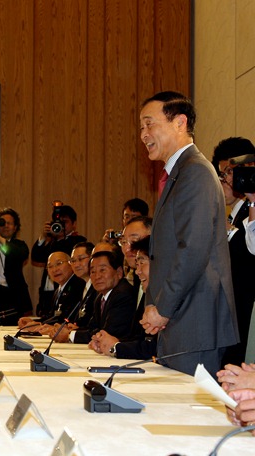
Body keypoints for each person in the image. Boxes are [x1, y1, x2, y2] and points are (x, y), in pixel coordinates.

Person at [139, 91, 239, 377]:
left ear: (179, 123)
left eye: (149, 124)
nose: (144, 134)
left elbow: (192, 249)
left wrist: (162, 308)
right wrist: (153, 305)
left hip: (194, 320)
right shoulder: (181, 173)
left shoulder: (195, 172)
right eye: (141, 128)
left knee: (189, 416)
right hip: (181, 318)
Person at [211, 137, 255, 365]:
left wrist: (228, 232)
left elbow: (248, 255)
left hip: (245, 311)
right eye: (221, 174)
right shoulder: (236, 212)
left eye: (228, 172)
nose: (224, 180)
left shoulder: (250, 207)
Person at [90, 237, 157, 359]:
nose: (137, 272)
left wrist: (115, 347)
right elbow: (139, 339)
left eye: (142, 263)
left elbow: (155, 347)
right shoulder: (150, 296)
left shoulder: (124, 293)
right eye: (137, 265)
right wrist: (111, 343)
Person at [31, 204, 86, 317]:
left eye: (64, 222)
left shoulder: (78, 242)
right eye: (57, 223)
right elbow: (36, 257)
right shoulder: (51, 242)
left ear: (74, 224)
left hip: (69, 292)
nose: (60, 226)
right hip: (48, 294)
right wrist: (43, 236)